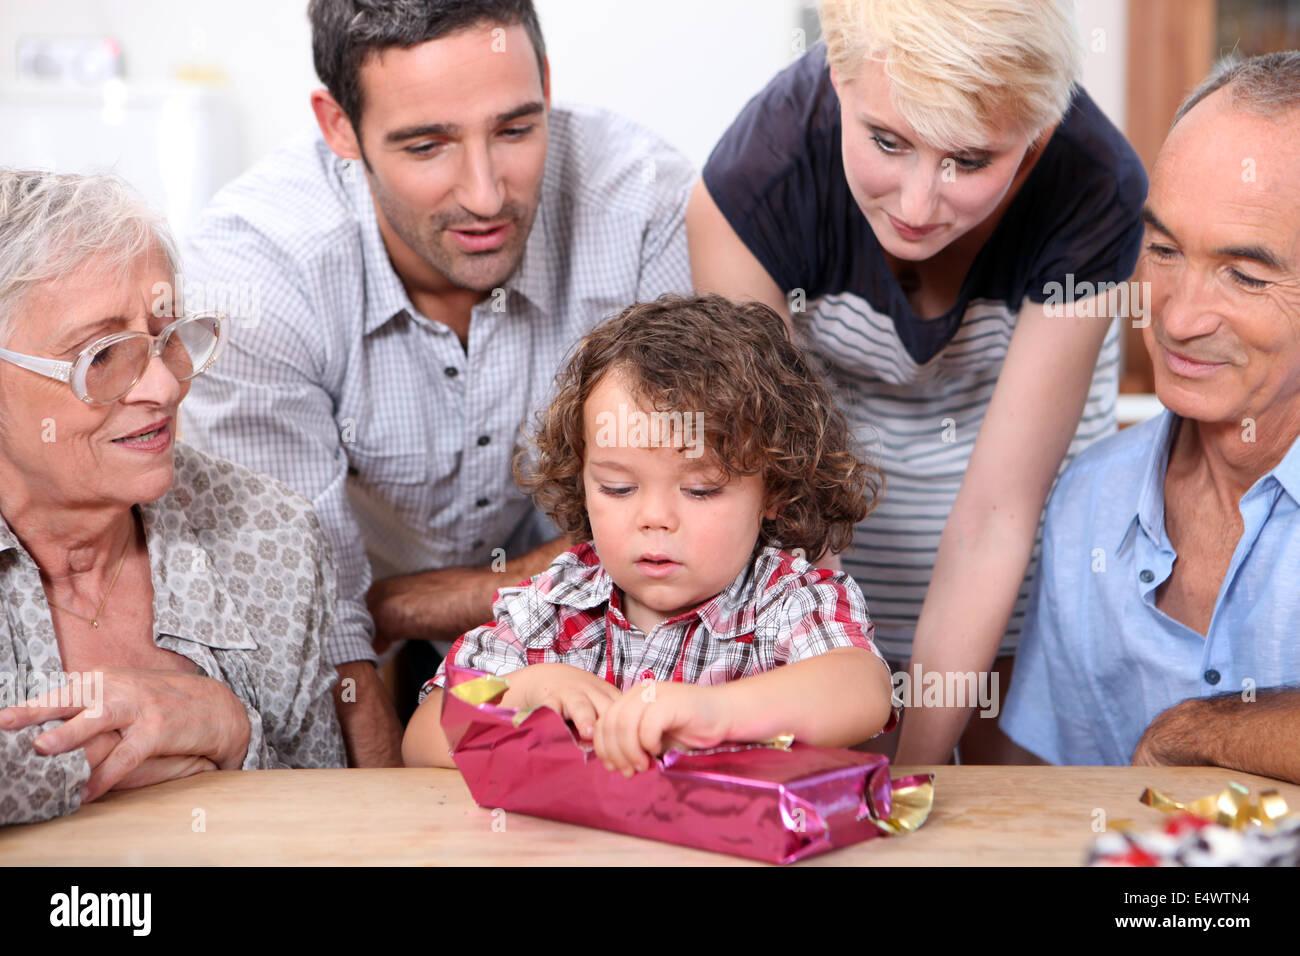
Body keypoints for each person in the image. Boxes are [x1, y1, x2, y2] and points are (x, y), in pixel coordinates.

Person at [180, 0, 695, 766]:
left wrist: (442, 600)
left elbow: (685, 507)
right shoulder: (255, 276)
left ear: (547, 84)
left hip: (568, 597)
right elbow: (311, 617)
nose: (486, 195)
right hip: (337, 599)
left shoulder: (643, 203)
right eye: (427, 146)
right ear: (340, 128)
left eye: (516, 129)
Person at [687, 0, 1147, 763]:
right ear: (839, 74)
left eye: (969, 161)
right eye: (887, 141)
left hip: (1011, 583)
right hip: (819, 554)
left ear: (1034, 139)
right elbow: (781, 484)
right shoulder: (754, 181)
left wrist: (911, 775)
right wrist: (841, 694)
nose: (915, 205)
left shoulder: (1096, 185)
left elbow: (997, 516)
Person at [403, 294, 896, 772]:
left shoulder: (786, 600)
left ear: (775, 491)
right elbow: (423, 738)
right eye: (618, 488)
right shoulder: (555, 605)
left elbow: (862, 691)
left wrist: (716, 713)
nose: (654, 518)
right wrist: (523, 692)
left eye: (701, 490)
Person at [0, 170, 345, 826]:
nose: (162, 386)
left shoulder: (270, 533)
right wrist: (66, 771)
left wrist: (234, 731)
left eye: (167, 336)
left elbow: (326, 822)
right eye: (102, 356)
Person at [1002, 53, 1300, 784]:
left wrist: (1196, 732)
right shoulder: (1089, 503)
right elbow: (1050, 805)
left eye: (1245, 275)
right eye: (1163, 250)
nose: (1177, 316)